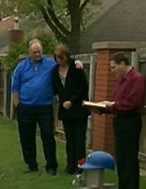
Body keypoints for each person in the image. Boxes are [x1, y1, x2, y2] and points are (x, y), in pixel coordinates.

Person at [99, 52, 146, 189]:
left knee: (129, 159)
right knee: (122, 159)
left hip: (130, 122)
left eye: (114, 67)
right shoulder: (123, 81)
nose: (113, 71)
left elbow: (133, 103)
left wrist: (113, 106)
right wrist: (106, 108)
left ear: (122, 64)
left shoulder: (137, 79)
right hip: (120, 121)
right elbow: (120, 102)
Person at [11, 38, 58, 175]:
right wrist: (18, 106)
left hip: (45, 107)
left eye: (39, 52)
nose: (38, 54)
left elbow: (64, 64)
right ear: (29, 52)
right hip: (25, 107)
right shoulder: (21, 67)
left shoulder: (51, 64)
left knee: (48, 135)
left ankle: (51, 165)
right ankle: (31, 164)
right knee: (27, 137)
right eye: (34, 52)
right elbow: (15, 89)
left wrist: (77, 63)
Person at [52, 45, 90, 175]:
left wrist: (72, 101)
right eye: (57, 58)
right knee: (69, 139)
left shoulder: (76, 68)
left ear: (67, 57)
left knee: (79, 139)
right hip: (66, 110)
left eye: (62, 58)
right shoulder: (55, 71)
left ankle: (81, 166)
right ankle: (70, 165)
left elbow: (83, 87)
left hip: (78, 109)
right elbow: (55, 89)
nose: (60, 61)